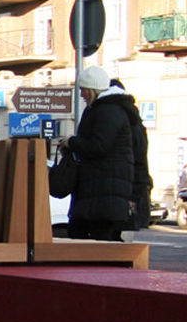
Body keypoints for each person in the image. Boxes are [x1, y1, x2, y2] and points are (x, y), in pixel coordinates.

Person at [56, 65, 134, 242]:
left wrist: (72, 142)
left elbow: (99, 146)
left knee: (97, 244)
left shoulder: (108, 111)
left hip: (103, 196)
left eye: (83, 90)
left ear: (92, 90)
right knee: (86, 239)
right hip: (99, 194)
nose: (82, 95)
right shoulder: (104, 110)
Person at [109, 77, 152, 232]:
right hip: (128, 192)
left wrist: (134, 195)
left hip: (124, 193)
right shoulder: (136, 122)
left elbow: (138, 161)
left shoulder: (125, 122)